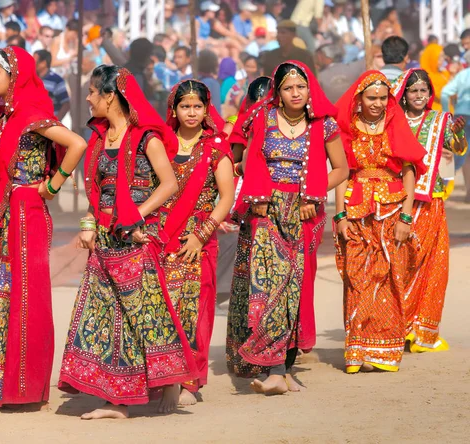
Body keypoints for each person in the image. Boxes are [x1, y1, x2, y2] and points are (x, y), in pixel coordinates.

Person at [58, 65, 195, 420]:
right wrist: (88, 225)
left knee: (146, 314)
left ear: (110, 96)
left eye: (92, 92)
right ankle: (116, 398)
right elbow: (96, 192)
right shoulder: (100, 138)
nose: (88, 98)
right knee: (105, 315)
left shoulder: (145, 137)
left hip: (136, 238)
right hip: (105, 239)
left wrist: (136, 214)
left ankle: (171, 382)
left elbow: (168, 184)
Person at [0, 47, 87, 407]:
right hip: (5, 217)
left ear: (15, 77)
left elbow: (77, 143)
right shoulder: (6, 118)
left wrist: (53, 185)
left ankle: (23, 389)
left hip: (27, 215)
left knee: (25, 297)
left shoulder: (33, 115)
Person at [226, 61, 349, 393]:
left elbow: (341, 169)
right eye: (288, 88)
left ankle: (282, 368)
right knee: (267, 289)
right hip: (264, 208)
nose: (295, 93)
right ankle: (277, 370)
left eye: (301, 87)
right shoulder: (261, 120)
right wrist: (256, 190)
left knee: (292, 290)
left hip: (303, 213)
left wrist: (314, 193)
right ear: (277, 94)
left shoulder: (324, 126)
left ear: (310, 90)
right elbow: (244, 160)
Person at [334, 71, 427, 374]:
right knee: (356, 275)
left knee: (389, 276)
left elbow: (409, 169)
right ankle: (357, 349)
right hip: (356, 210)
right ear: (359, 99)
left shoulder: (394, 125)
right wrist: (339, 215)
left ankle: (383, 349)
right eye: (371, 97)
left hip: (391, 209)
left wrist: (406, 215)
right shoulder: (347, 129)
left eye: (382, 98)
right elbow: (341, 172)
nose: (376, 103)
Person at [161, 80, 235, 405]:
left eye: (197, 106)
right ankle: (164, 377)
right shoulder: (161, 145)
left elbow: (226, 198)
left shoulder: (216, 147)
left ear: (206, 110)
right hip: (164, 236)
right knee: (163, 306)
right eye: (185, 106)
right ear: (174, 110)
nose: (191, 112)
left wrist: (201, 236)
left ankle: (190, 381)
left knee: (195, 307)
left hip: (198, 238)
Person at [391, 69, 467, 352]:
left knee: (431, 263)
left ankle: (423, 330)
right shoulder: (394, 121)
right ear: (405, 94)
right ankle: (398, 325)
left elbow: (458, 150)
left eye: (424, 91)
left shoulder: (440, 120)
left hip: (431, 199)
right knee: (402, 261)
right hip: (398, 200)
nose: (419, 96)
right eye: (413, 91)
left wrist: (458, 134)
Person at [441, 65, 470, 202]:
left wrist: (448, 114)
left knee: (454, 156)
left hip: (461, 116)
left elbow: (445, 92)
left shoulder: (463, 75)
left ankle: (441, 187)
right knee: (457, 156)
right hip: (462, 120)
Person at [33, 49, 71, 121]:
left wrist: (56, 121)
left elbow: (66, 103)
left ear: (43, 63)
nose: (31, 64)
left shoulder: (56, 80)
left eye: (34, 62)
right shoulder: (30, 79)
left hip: (49, 125)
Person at [420, 43, 449, 111]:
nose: (442, 60)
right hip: (434, 113)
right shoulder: (425, 77)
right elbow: (440, 95)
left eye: (443, 56)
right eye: (439, 57)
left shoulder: (444, 73)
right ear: (431, 58)